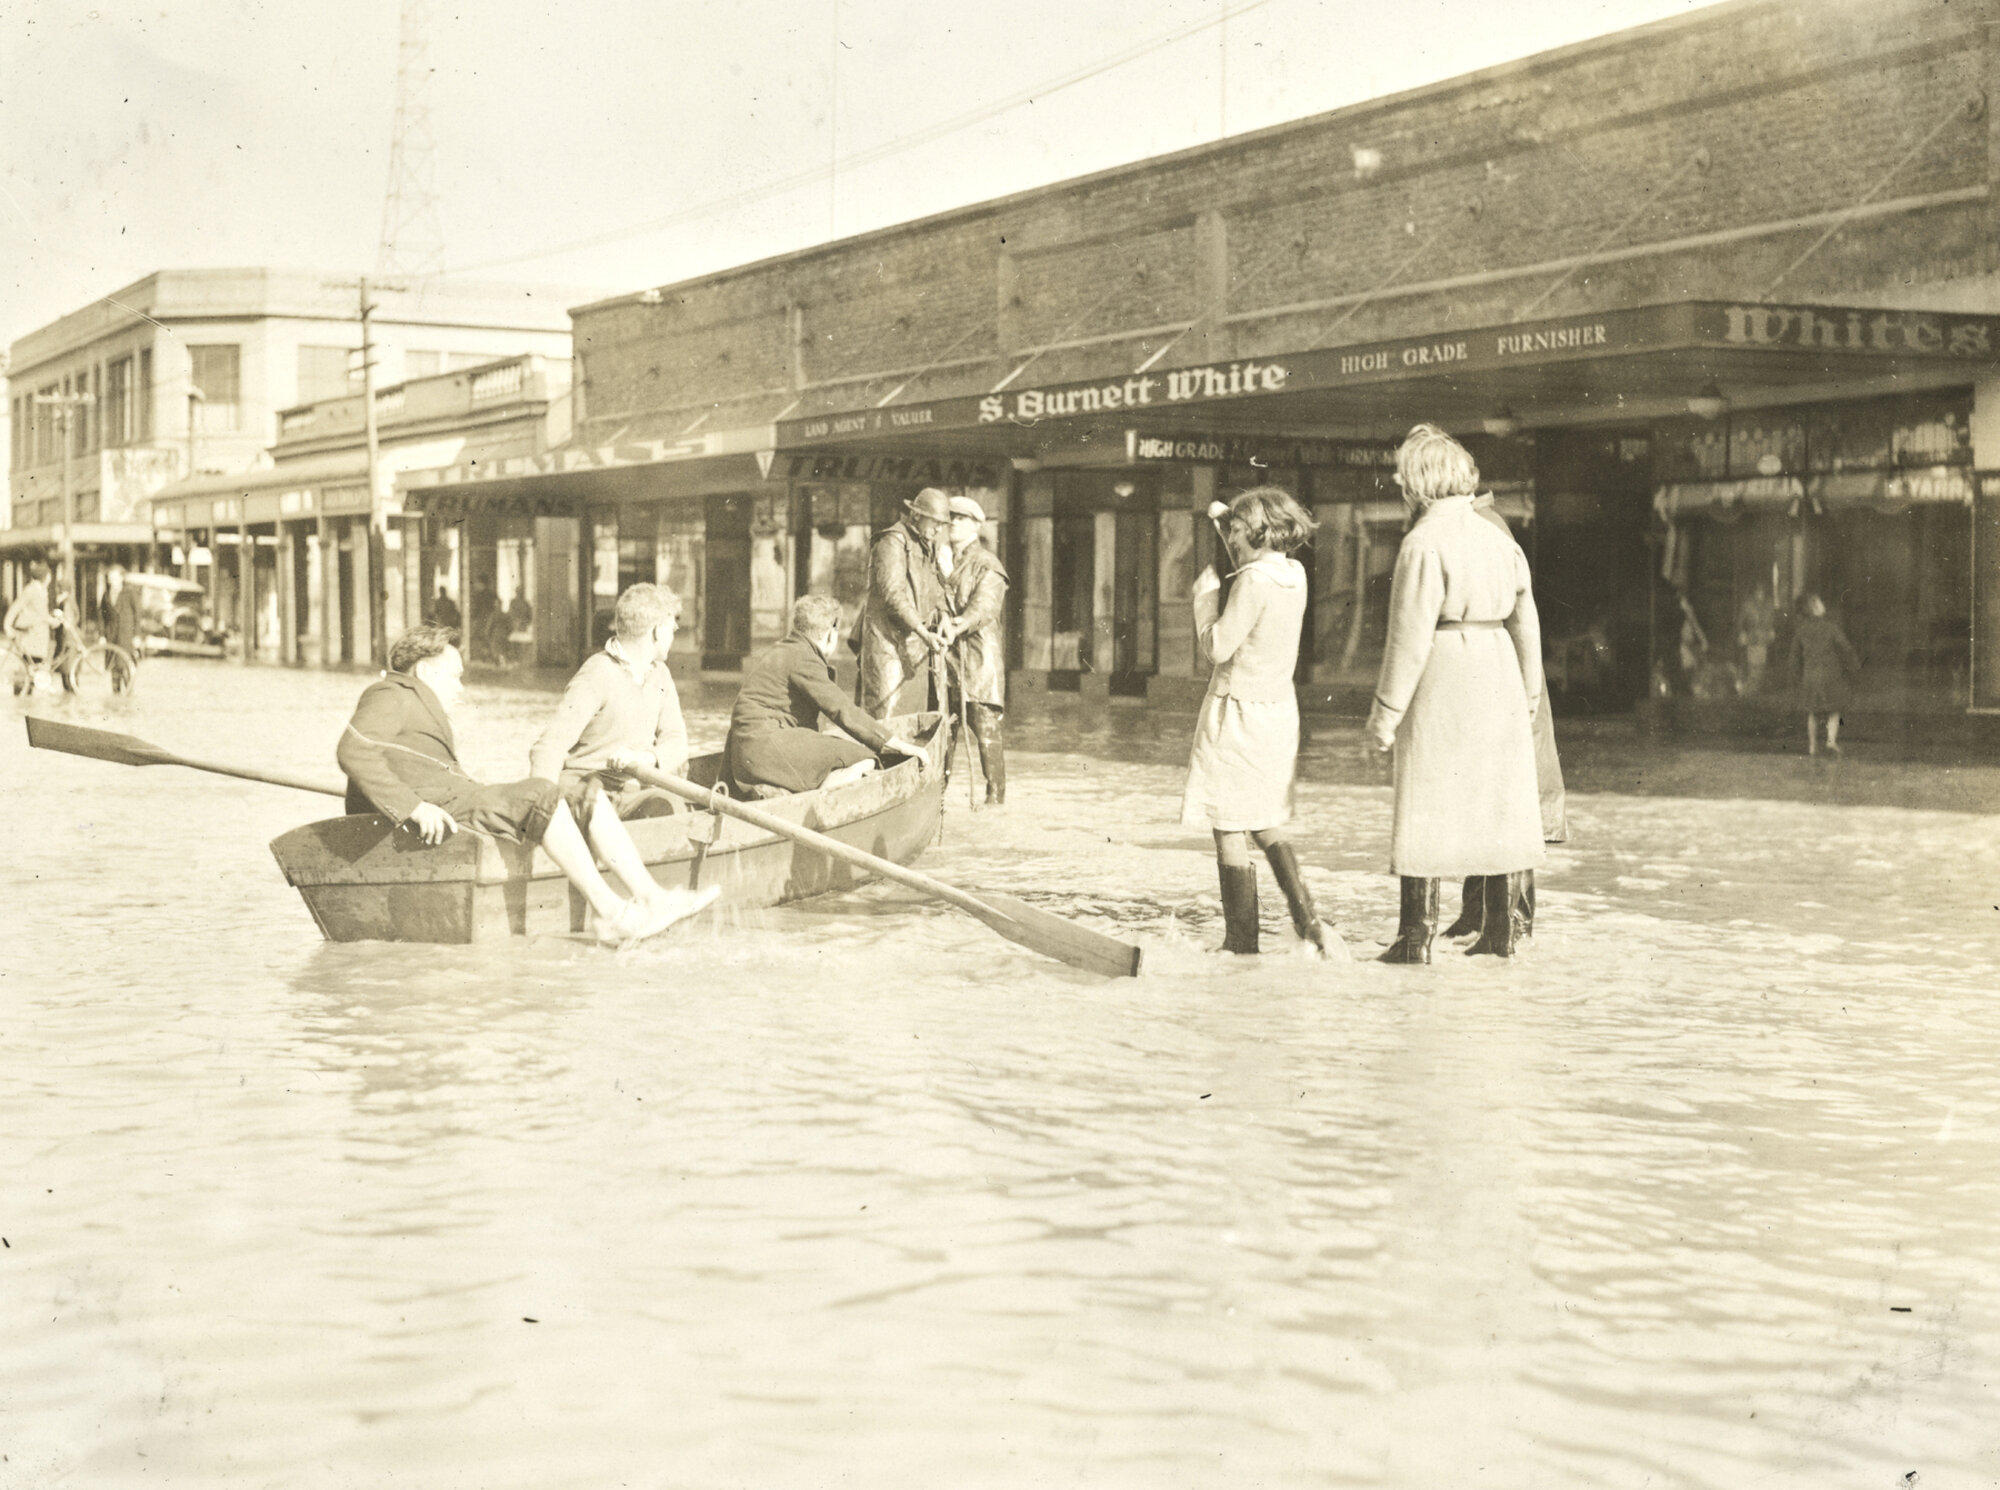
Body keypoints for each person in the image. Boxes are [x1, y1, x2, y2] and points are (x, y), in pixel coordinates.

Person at [337, 623, 717, 946]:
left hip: (453, 799)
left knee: (582, 790)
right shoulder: (391, 693)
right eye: (455, 676)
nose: (462, 688)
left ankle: (652, 898)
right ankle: (612, 913)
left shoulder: (413, 701)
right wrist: (413, 807)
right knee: (542, 793)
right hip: (437, 807)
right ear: (424, 673)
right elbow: (354, 749)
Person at [1365, 424, 1544, 963]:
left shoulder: (1422, 543)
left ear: (1417, 482)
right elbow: (1527, 620)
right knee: (1499, 800)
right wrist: (1530, 691)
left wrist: (1385, 714)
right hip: (1498, 667)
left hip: (1444, 668)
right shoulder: (1497, 537)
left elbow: (1408, 637)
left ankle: (1416, 935)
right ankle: (1499, 932)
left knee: (1427, 797)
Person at [1180, 486, 1344, 959]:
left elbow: (1217, 648)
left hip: (1238, 713)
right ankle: (1309, 922)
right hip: (1277, 714)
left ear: (1257, 530)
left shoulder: (1251, 581)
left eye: (1236, 530)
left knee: (1228, 825)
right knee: (1266, 822)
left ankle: (1240, 942)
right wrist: (1227, 516)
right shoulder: (1294, 573)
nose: (1230, 537)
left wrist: (1206, 600)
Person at [1441, 496, 1568, 942]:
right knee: (1494, 805)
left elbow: (1514, 614)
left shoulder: (1482, 530)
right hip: (1503, 677)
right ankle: (1479, 916)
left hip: (1508, 680)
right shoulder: (1482, 524)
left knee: (1512, 809)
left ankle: (1512, 920)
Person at [726, 593, 924, 795]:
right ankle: (814, 809)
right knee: (865, 758)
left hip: (743, 758)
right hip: (765, 751)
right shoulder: (804, 657)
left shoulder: (781, 649)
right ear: (831, 633)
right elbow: (842, 710)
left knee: (830, 752)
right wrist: (896, 744)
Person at [529, 583, 690, 826]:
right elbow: (550, 746)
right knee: (667, 808)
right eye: (672, 628)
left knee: (671, 806)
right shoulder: (597, 673)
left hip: (635, 794)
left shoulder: (660, 675)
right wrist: (543, 814)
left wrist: (647, 757)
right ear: (657, 632)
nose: (674, 634)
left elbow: (677, 741)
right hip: (589, 794)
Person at [939, 494, 1009, 805]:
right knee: (942, 736)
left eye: (962, 518)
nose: (954, 522)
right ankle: (934, 799)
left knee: (986, 738)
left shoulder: (987, 564)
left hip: (979, 663)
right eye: (950, 517)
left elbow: (984, 608)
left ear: (977, 525)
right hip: (946, 663)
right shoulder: (939, 558)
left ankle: (995, 801)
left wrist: (956, 624)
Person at [857, 487, 951, 717]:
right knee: (884, 722)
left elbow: (936, 590)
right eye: (934, 521)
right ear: (916, 515)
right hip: (887, 646)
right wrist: (923, 631)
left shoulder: (927, 546)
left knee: (913, 722)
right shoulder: (892, 542)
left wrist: (945, 616)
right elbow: (893, 595)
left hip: (916, 648)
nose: (939, 528)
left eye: (942, 524)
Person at [1791, 592, 1859, 757]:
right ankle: (1831, 741)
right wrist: (1854, 666)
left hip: (1810, 675)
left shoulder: (1801, 630)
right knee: (1834, 710)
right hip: (1830, 674)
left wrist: (1796, 676)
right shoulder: (1831, 627)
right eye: (1820, 602)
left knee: (1812, 712)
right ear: (1815, 607)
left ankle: (1812, 746)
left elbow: (1794, 656)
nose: (1823, 604)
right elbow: (1846, 648)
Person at [5, 559, 54, 673]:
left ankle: (29, 686)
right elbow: (16, 606)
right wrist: (7, 625)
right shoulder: (32, 589)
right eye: (49, 575)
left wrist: (51, 619)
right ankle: (23, 688)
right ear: (45, 577)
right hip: (31, 633)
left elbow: (41, 613)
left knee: (34, 663)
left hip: (38, 633)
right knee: (29, 663)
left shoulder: (41, 590)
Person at [101, 564, 145, 678]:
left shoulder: (130, 593)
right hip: (112, 636)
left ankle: (128, 693)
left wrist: (137, 636)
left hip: (126, 635)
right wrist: (102, 635)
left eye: (114, 578)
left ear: (121, 578)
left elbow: (138, 615)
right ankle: (116, 694)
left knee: (126, 667)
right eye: (110, 579)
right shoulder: (106, 595)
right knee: (113, 668)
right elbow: (102, 616)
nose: (111, 581)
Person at [1737, 581, 1778, 695]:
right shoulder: (1747, 605)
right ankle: (1748, 689)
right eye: (1758, 591)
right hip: (1751, 636)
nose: (1760, 593)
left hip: (1763, 637)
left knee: (1761, 663)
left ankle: (1754, 688)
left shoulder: (1769, 605)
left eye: (1762, 591)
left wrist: (1771, 630)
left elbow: (1771, 620)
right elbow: (1740, 621)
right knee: (1752, 663)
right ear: (1754, 592)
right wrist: (1742, 633)